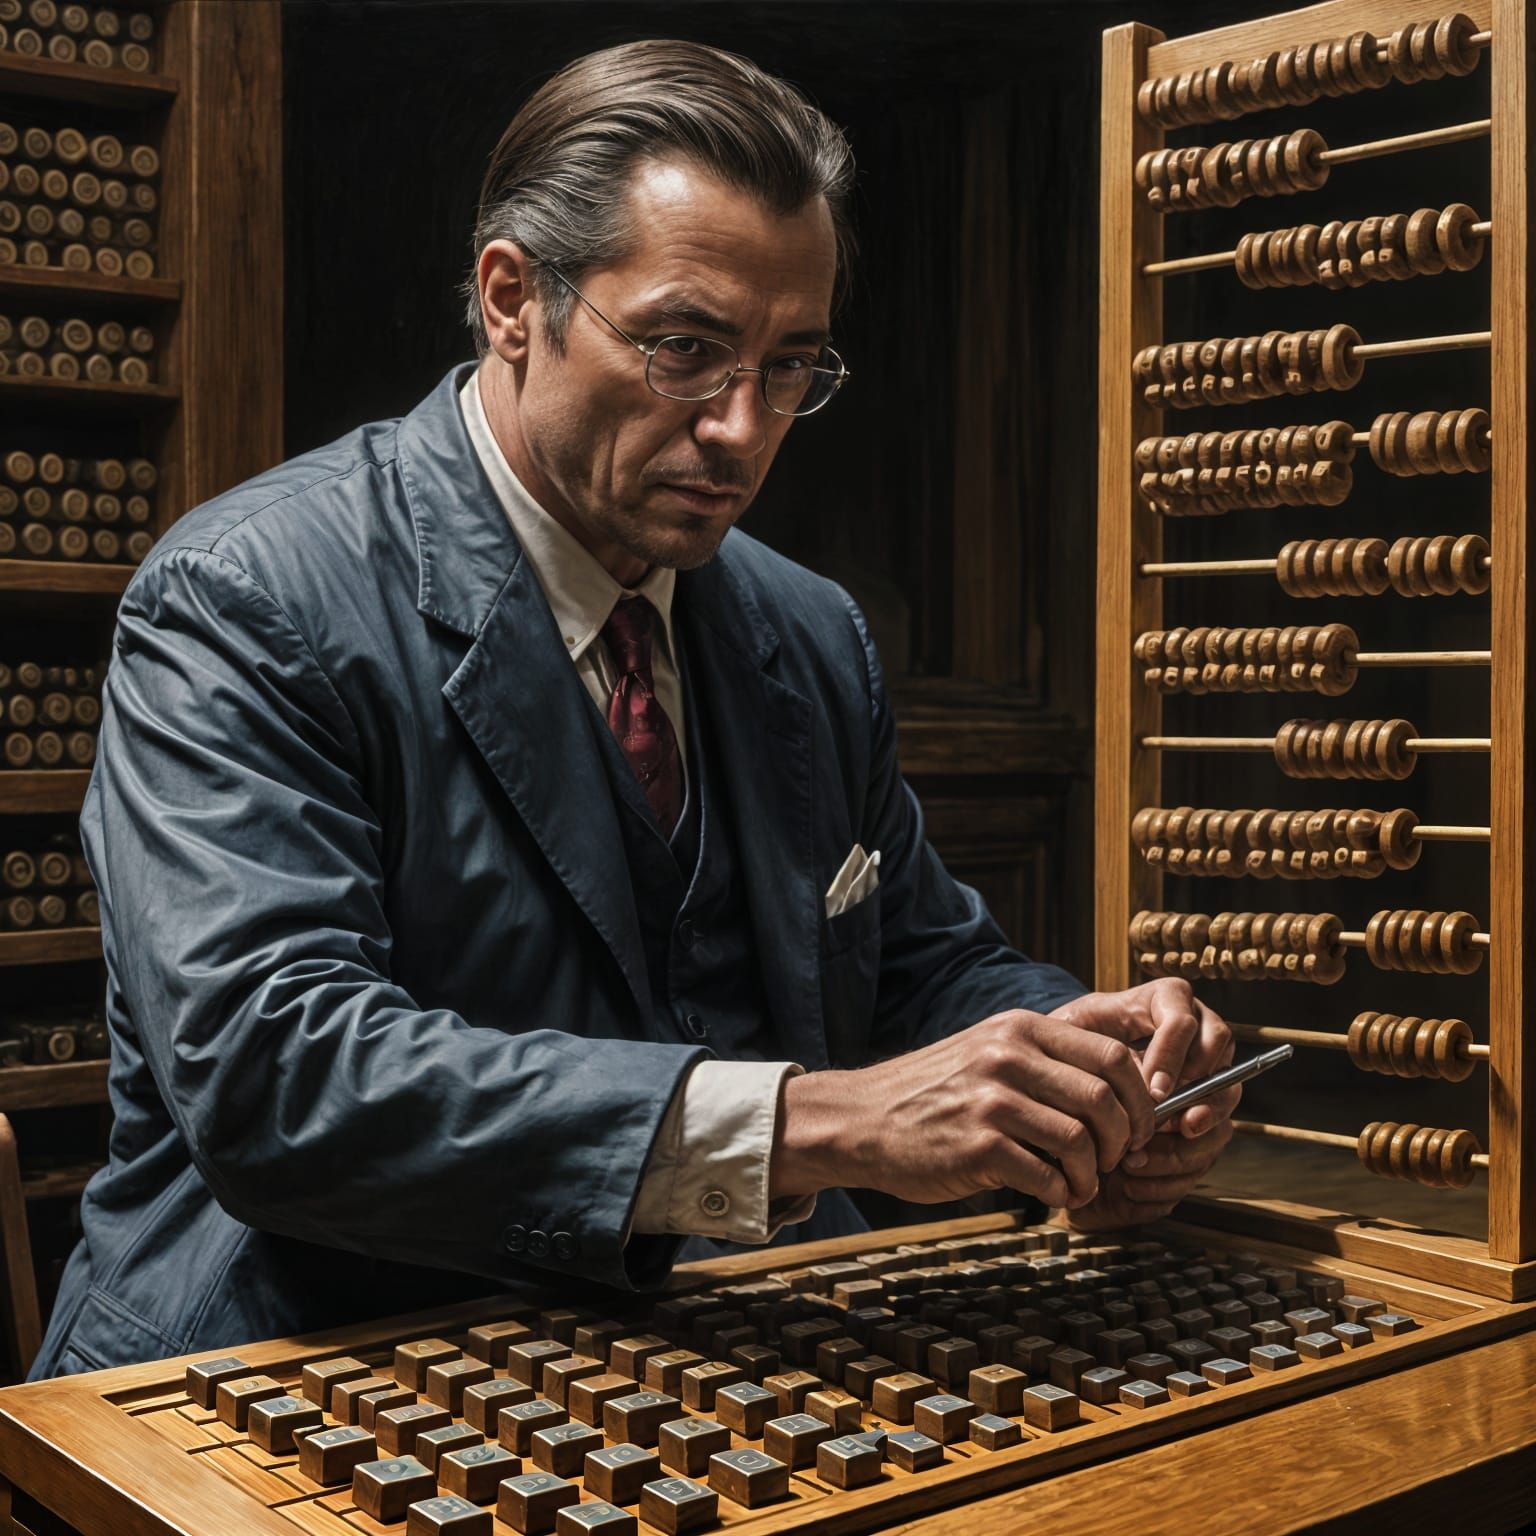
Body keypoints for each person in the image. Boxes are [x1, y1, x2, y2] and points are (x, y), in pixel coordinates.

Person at [30, 38, 1236, 1379]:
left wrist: (1085, 1061)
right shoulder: (242, 597)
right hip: (299, 1351)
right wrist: (806, 1124)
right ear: (509, 300)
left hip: (686, 1349)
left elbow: (915, 966)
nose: (740, 428)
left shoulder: (808, 630)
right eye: (684, 349)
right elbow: (283, 1084)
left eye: (791, 366)